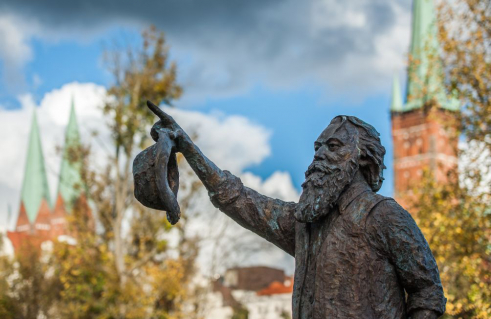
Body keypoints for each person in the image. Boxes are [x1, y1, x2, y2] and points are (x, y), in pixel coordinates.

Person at [148, 101, 446, 319]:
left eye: (332, 147)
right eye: (317, 148)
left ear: (362, 161)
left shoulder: (384, 216)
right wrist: (188, 148)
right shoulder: (305, 223)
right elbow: (237, 198)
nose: (318, 157)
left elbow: (428, 293)